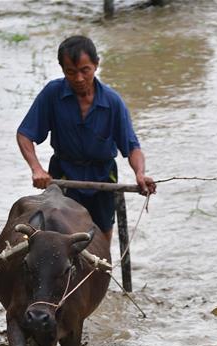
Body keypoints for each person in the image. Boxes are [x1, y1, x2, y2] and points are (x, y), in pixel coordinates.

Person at [16, 34, 155, 244]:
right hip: (64, 176)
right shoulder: (52, 94)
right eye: (71, 72)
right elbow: (25, 134)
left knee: (102, 239)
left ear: (96, 65)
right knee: (58, 239)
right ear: (62, 69)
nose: (79, 78)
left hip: (102, 178)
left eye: (84, 70)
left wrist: (140, 174)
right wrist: (36, 168)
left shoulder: (112, 102)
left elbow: (132, 146)